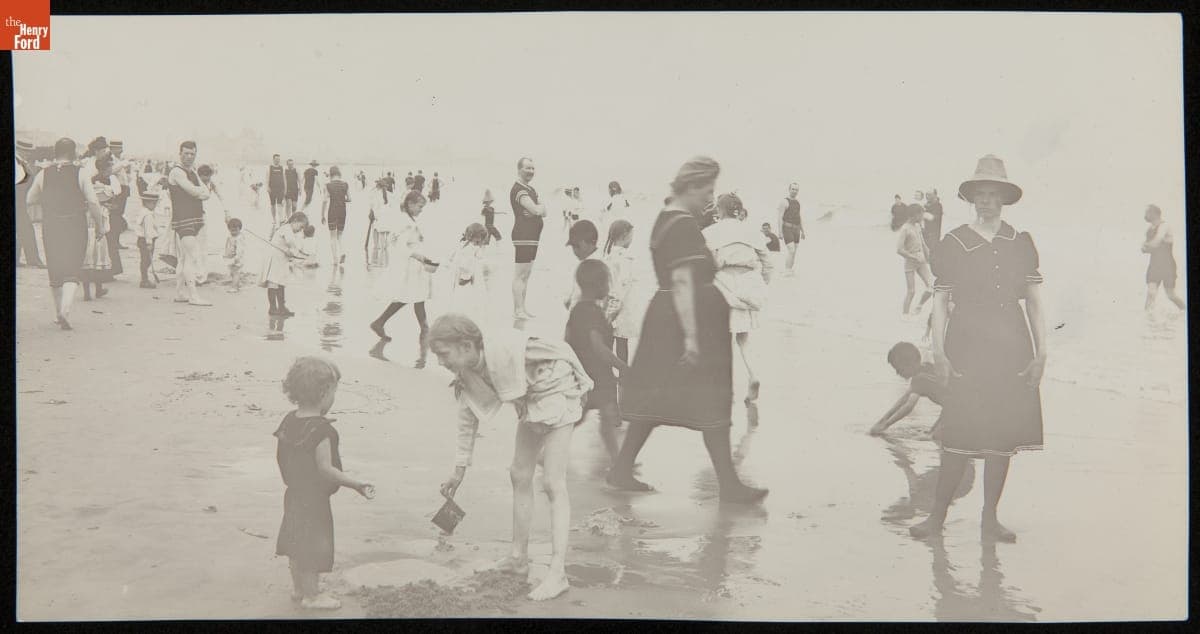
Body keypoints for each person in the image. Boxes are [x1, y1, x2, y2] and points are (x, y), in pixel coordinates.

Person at [606, 156, 768, 503]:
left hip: (669, 320)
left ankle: (624, 469)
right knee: (711, 401)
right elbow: (681, 281)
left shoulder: (667, 218)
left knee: (657, 399)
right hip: (686, 322)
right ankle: (728, 485)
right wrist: (692, 339)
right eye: (706, 191)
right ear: (691, 186)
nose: (709, 199)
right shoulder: (680, 224)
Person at [909, 154, 1047, 543]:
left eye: (994, 194)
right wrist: (938, 351)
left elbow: (1034, 301)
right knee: (959, 432)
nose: (987, 201)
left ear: (1004, 198)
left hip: (1011, 345)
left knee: (1001, 437)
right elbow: (939, 301)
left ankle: (990, 519)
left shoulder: (1019, 243)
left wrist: (1041, 353)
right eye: (980, 195)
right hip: (966, 342)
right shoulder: (954, 242)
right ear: (972, 199)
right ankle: (936, 518)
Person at [432, 314, 592, 601]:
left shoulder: (508, 346)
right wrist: (458, 472)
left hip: (560, 394)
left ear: (467, 345)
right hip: (530, 402)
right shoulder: (468, 371)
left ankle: (558, 573)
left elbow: (561, 350)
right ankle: (518, 558)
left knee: (554, 484)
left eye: (443, 354)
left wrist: (585, 384)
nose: (440, 362)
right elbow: (467, 419)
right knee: (519, 473)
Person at [274, 356, 374, 611]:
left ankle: (299, 589)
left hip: (293, 494)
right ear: (323, 393)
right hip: (314, 500)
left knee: (295, 543)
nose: (333, 398)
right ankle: (312, 595)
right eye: (333, 392)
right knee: (311, 546)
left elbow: (281, 455)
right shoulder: (322, 431)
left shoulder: (289, 420)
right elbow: (326, 470)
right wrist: (356, 484)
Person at [25, 138, 106, 330]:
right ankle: (65, 310)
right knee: (72, 267)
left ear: (55, 152)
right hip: (74, 223)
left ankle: (57, 313)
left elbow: (30, 199)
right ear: (73, 154)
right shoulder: (81, 173)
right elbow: (93, 202)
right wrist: (100, 226)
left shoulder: (44, 173)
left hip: (51, 224)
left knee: (55, 267)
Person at [704, 193, 773, 404]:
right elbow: (768, 262)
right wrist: (761, 283)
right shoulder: (751, 230)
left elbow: (708, 264)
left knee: (718, 336)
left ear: (719, 210)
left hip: (724, 283)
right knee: (743, 337)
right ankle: (754, 374)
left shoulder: (710, 232)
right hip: (748, 282)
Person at [566, 259, 631, 462]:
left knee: (585, 417)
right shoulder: (593, 314)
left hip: (582, 374)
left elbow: (567, 339)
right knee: (607, 417)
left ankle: (617, 458)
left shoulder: (577, 310)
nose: (608, 287)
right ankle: (618, 460)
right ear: (597, 286)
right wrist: (623, 367)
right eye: (606, 283)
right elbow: (599, 347)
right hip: (599, 375)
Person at [368, 190, 440, 368]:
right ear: (409, 204)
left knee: (416, 296)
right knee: (410, 296)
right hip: (411, 265)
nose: (421, 210)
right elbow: (399, 245)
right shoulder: (405, 222)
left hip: (414, 264)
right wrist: (418, 256)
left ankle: (422, 327)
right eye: (419, 206)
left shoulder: (408, 220)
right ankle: (382, 322)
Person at [869, 342, 948, 436]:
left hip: (955, 408)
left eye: (898, 369)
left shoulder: (919, 379)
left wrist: (886, 425)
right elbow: (904, 399)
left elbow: (908, 407)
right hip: (953, 406)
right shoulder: (926, 367)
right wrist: (882, 421)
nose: (897, 373)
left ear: (909, 365)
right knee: (931, 434)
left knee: (933, 437)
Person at [168, 141, 213, 306]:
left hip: (194, 218)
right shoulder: (176, 172)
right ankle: (193, 296)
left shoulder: (193, 171)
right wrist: (199, 192)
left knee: (184, 258)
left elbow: (206, 193)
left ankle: (180, 293)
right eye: (186, 153)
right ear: (180, 153)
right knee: (193, 257)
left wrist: (199, 192)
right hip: (183, 218)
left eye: (192, 154)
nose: (189, 157)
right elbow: (194, 191)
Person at [511, 157, 548, 320]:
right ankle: (518, 310)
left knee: (527, 275)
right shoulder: (519, 189)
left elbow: (543, 211)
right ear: (519, 169)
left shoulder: (531, 189)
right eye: (527, 168)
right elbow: (537, 209)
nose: (531, 171)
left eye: (533, 168)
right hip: (523, 235)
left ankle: (522, 308)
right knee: (520, 275)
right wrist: (537, 210)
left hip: (533, 236)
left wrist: (537, 210)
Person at [82, 155, 119, 300]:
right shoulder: (103, 182)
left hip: (90, 218)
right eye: (110, 166)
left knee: (88, 257)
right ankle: (97, 289)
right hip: (97, 219)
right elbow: (102, 200)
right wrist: (108, 204)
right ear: (104, 168)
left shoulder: (92, 179)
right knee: (96, 255)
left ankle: (89, 291)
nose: (112, 168)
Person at [602, 219, 637, 364]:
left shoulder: (608, 256)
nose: (632, 239)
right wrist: (615, 309)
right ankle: (623, 379)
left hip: (607, 304)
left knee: (608, 342)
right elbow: (623, 284)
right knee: (622, 344)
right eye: (631, 235)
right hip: (620, 307)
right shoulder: (625, 257)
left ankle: (609, 376)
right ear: (624, 235)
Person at [260, 212, 309, 316]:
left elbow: (291, 246)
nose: (300, 230)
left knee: (281, 283)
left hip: (281, 260)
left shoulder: (289, 230)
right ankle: (273, 308)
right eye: (301, 227)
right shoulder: (287, 228)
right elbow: (290, 242)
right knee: (273, 283)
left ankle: (282, 307)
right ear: (295, 221)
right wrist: (293, 251)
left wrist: (297, 253)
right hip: (274, 258)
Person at [1142, 204, 1186, 311]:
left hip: (1168, 265)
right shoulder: (1149, 229)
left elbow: (1155, 243)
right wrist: (1148, 246)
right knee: (1151, 293)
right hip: (1154, 265)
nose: (1145, 215)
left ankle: (1185, 310)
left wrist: (1149, 246)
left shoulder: (1165, 226)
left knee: (1170, 295)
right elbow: (1143, 248)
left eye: (1147, 213)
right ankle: (1148, 319)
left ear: (1155, 214)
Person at [447, 223, 490, 321]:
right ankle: (467, 319)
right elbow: (465, 266)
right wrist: (465, 278)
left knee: (461, 299)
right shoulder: (470, 249)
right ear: (473, 237)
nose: (480, 241)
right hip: (468, 279)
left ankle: (462, 318)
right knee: (468, 299)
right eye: (479, 238)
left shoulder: (462, 245)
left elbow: (452, 259)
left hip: (463, 277)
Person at [897, 203, 934, 315]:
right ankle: (905, 315)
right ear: (914, 215)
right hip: (910, 262)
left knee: (931, 287)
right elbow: (899, 249)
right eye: (921, 214)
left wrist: (930, 257)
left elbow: (922, 243)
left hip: (921, 260)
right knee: (911, 291)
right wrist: (913, 257)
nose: (923, 217)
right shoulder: (905, 229)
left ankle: (919, 306)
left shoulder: (917, 226)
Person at [15, 139, 46, 268]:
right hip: (18, 200)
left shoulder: (21, 162)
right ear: (20, 150)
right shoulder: (16, 162)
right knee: (26, 229)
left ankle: (18, 259)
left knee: (22, 229)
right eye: (27, 151)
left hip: (21, 199)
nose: (28, 154)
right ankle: (33, 260)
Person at [128, 175, 161, 289]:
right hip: (147, 240)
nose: (155, 205)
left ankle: (144, 278)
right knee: (146, 260)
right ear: (147, 203)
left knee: (145, 260)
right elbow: (148, 230)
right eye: (154, 203)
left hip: (142, 239)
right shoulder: (148, 215)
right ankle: (144, 279)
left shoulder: (143, 212)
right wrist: (149, 242)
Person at [564, 220, 604, 312]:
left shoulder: (589, 266)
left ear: (582, 244)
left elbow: (578, 298)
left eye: (574, 247)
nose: (574, 252)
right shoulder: (602, 260)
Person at [322, 166, 351, 266]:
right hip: (343, 211)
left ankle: (335, 260)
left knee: (332, 236)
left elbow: (325, 201)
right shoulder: (345, 184)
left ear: (331, 174)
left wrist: (322, 215)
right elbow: (349, 198)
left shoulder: (328, 185)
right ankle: (342, 251)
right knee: (340, 235)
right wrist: (341, 199)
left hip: (332, 211)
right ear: (339, 174)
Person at [777, 182, 805, 276]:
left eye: (796, 189)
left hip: (796, 229)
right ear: (789, 189)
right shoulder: (784, 201)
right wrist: (780, 232)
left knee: (794, 251)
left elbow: (799, 217)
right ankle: (787, 269)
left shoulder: (797, 203)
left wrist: (803, 231)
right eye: (793, 189)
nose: (794, 191)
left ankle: (790, 270)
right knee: (791, 250)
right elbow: (780, 217)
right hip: (787, 228)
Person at [366, 178, 392, 267]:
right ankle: (385, 256)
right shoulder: (390, 194)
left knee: (377, 232)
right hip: (388, 217)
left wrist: (374, 215)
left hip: (379, 217)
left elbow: (373, 206)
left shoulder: (376, 194)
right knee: (385, 239)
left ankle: (377, 252)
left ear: (378, 186)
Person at [225, 218, 246, 293]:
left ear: (239, 229)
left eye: (235, 230)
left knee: (235, 272)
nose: (233, 232)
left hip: (237, 258)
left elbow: (240, 250)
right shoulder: (231, 236)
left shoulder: (239, 238)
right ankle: (237, 284)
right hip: (231, 257)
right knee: (232, 272)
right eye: (231, 230)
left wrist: (237, 258)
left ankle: (234, 287)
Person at [923, 189, 944, 260]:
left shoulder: (938, 205)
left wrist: (921, 213)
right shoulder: (927, 205)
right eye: (927, 194)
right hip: (926, 232)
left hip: (934, 233)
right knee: (926, 253)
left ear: (935, 195)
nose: (927, 196)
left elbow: (932, 217)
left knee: (933, 253)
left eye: (929, 194)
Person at [267, 154, 285, 228]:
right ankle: (274, 219)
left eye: (279, 159)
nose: (277, 160)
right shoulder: (270, 167)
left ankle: (281, 219)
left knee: (280, 204)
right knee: (273, 204)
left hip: (280, 189)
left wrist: (285, 188)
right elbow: (267, 178)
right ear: (273, 159)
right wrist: (267, 187)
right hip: (272, 189)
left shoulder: (281, 168)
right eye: (276, 159)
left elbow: (284, 179)